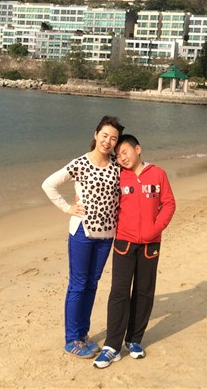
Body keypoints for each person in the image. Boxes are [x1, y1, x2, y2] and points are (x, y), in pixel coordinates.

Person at [42, 115, 124, 359]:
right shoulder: (80, 163)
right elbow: (48, 184)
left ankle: (83, 334)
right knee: (78, 284)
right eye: (105, 135)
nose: (108, 141)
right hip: (82, 232)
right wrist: (67, 208)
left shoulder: (117, 165)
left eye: (114, 138)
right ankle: (72, 339)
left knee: (92, 283)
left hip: (107, 234)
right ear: (96, 134)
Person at [94, 134, 176, 368]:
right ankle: (112, 346)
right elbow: (101, 195)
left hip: (151, 244)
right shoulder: (118, 175)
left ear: (137, 149)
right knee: (119, 292)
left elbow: (169, 203)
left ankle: (134, 339)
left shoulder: (158, 174)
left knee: (144, 291)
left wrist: (155, 229)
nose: (121, 158)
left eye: (125, 152)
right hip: (124, 242)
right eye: (118, 155)